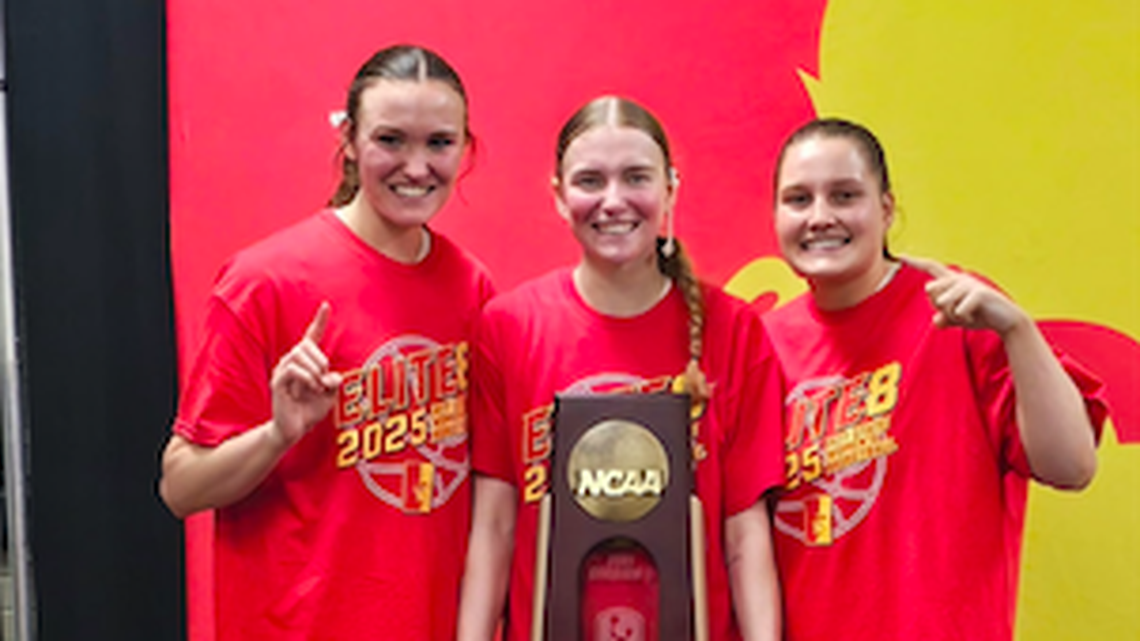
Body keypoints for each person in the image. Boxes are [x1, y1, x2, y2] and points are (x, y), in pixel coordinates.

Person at [158, 44, 494, 640]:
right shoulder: (265, 281)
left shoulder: (472, 287)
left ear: (465, 149)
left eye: (439, 143)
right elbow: (180, 488)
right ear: (350, 143)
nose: (417, 167)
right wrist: (278, 433)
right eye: (390, 140)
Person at [762, 117, 1108, 640]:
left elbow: (1072, 466)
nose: (821, 217)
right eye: (798, 199)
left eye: (845, 195)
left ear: (886, 209)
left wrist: (1017, 330)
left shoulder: (958, 311)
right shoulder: (760, 346)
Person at [457, 96, 784, 641]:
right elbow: (494, 524)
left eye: (636, 178)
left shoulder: (735, 330)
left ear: (670, 189)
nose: (613, 202)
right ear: (559, 196)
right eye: (590, 181)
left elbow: (745, 536)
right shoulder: (508, 327)